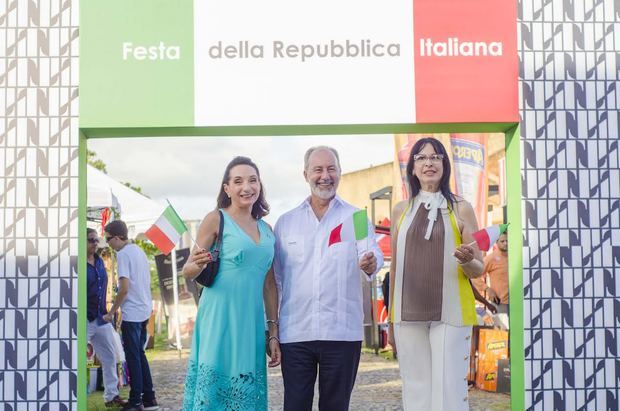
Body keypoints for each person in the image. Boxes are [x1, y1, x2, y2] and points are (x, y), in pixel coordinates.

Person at [274, 146, 384, 411]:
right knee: (295, 406)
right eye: (318, 169)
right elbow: (276, 281)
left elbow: (372, 253)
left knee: (336, 406)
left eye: (331, 169)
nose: (325, 176)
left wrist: (370, 263)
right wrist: (273, 331)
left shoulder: (356, 217)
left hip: (342, 332)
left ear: (340, 173)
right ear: (306, 174)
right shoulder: (286, 222)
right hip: (296, 333)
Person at [388, 137, 484, 411]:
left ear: (445, 165)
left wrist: (467, 260)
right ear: (413, 168)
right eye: (421, 157)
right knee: (415, 388)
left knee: (449, 389)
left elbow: (479, 267)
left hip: (451, 312)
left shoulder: (463, 208)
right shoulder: (399, 211)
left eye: (435, 157)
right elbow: (396, 266)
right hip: (407, 314)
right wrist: (392, 319)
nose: (428, 162)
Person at [181, 156, 280, 410]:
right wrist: (198, 263)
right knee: (214, 392)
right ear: (227, 188)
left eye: (252, 180)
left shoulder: (268, 229)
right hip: (218, 317)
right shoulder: (216, 219)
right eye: (238, 181)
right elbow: (188, 270)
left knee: (244, 391)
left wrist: (273, 333)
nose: (246, 187)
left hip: (251, 322)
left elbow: (269, 285)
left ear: (259, 185)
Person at [103, 220, 159, 411]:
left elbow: (124, 288)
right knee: (139, 355)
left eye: (108, 239)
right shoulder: (138, 251)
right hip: (143, 309)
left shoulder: (124, 254)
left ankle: (136, 401)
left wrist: (111, 312)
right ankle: (149, 398)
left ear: (117, 237)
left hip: (133, 313)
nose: (107, 243)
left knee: (133, 357)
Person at [86, 228, 127, 408]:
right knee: (75, 358)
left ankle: (111, 396)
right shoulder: (77, 263)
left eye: (96, 240)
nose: (95, 243)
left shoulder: (100, 262)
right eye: (91, 240)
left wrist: (109, 312)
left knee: (110, 356)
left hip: (101, 317)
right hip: (83, 320)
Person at [473, 232, 509, 314]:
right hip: (500, 303)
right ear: (496, 242)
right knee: (502, 327)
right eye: (502, 241)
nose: (506, 243)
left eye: (507, 240)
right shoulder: (490, 258)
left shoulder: (514, 257)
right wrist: (487, 289)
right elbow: (474, 276)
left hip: (518, 302)